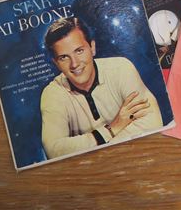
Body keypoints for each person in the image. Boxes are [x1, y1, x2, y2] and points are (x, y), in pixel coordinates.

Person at [40, 17, 163, 159]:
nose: (74, 64)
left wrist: (102, 152)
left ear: (92, 48)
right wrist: (112, 129)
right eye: (64, 57)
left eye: (79, 51)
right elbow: (54, 150)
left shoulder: (121, 68)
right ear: (56, 63)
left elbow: (153, 122)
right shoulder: (52, 94)